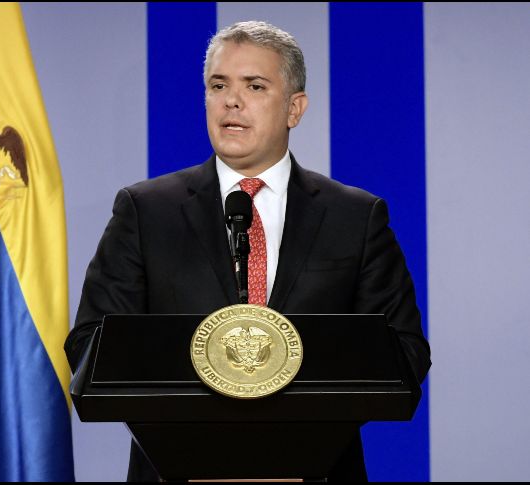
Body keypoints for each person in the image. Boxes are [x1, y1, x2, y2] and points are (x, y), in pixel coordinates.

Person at [65, 20, 431, 482]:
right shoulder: (145, 211)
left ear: (295, 108)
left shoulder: (355, 217)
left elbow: (405, 351)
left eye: (254, 86)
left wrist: (295, 391)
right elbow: (90, 344)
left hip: (316, 469)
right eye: (218, 85)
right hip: (177, 468)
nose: (231, 101)